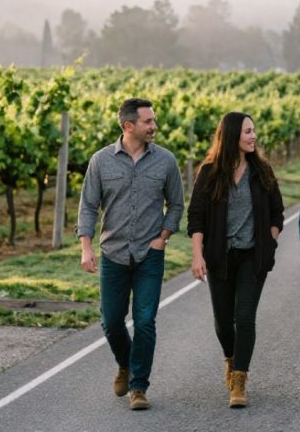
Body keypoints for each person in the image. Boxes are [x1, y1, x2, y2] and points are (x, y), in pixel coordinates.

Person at [77, 98, 184, 410]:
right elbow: (88, 205)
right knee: (111, 321)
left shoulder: (166, 161)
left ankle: (139, 386)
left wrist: (163, 236)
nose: (154, 126)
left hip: (150, 253)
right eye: (147, 121)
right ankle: (125, 363)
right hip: (113, 252)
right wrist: (86, 246)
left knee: (145, 320)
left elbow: (176, 204)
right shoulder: (100, 161)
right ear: (128, 126)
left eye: (153, 120)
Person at [187, 112, 284, 408]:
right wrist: (197, 254)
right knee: (223, 323)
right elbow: (196, 217)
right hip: (220, 257)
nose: (253, 136)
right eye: (247, 132)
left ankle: (240, 379)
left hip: (253, 256)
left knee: (244, 317)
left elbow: (277, 212)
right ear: (231, 136)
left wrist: (269, 242)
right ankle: (231, 359)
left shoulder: (262, 171)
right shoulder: (210, 172)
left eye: (254, 131)